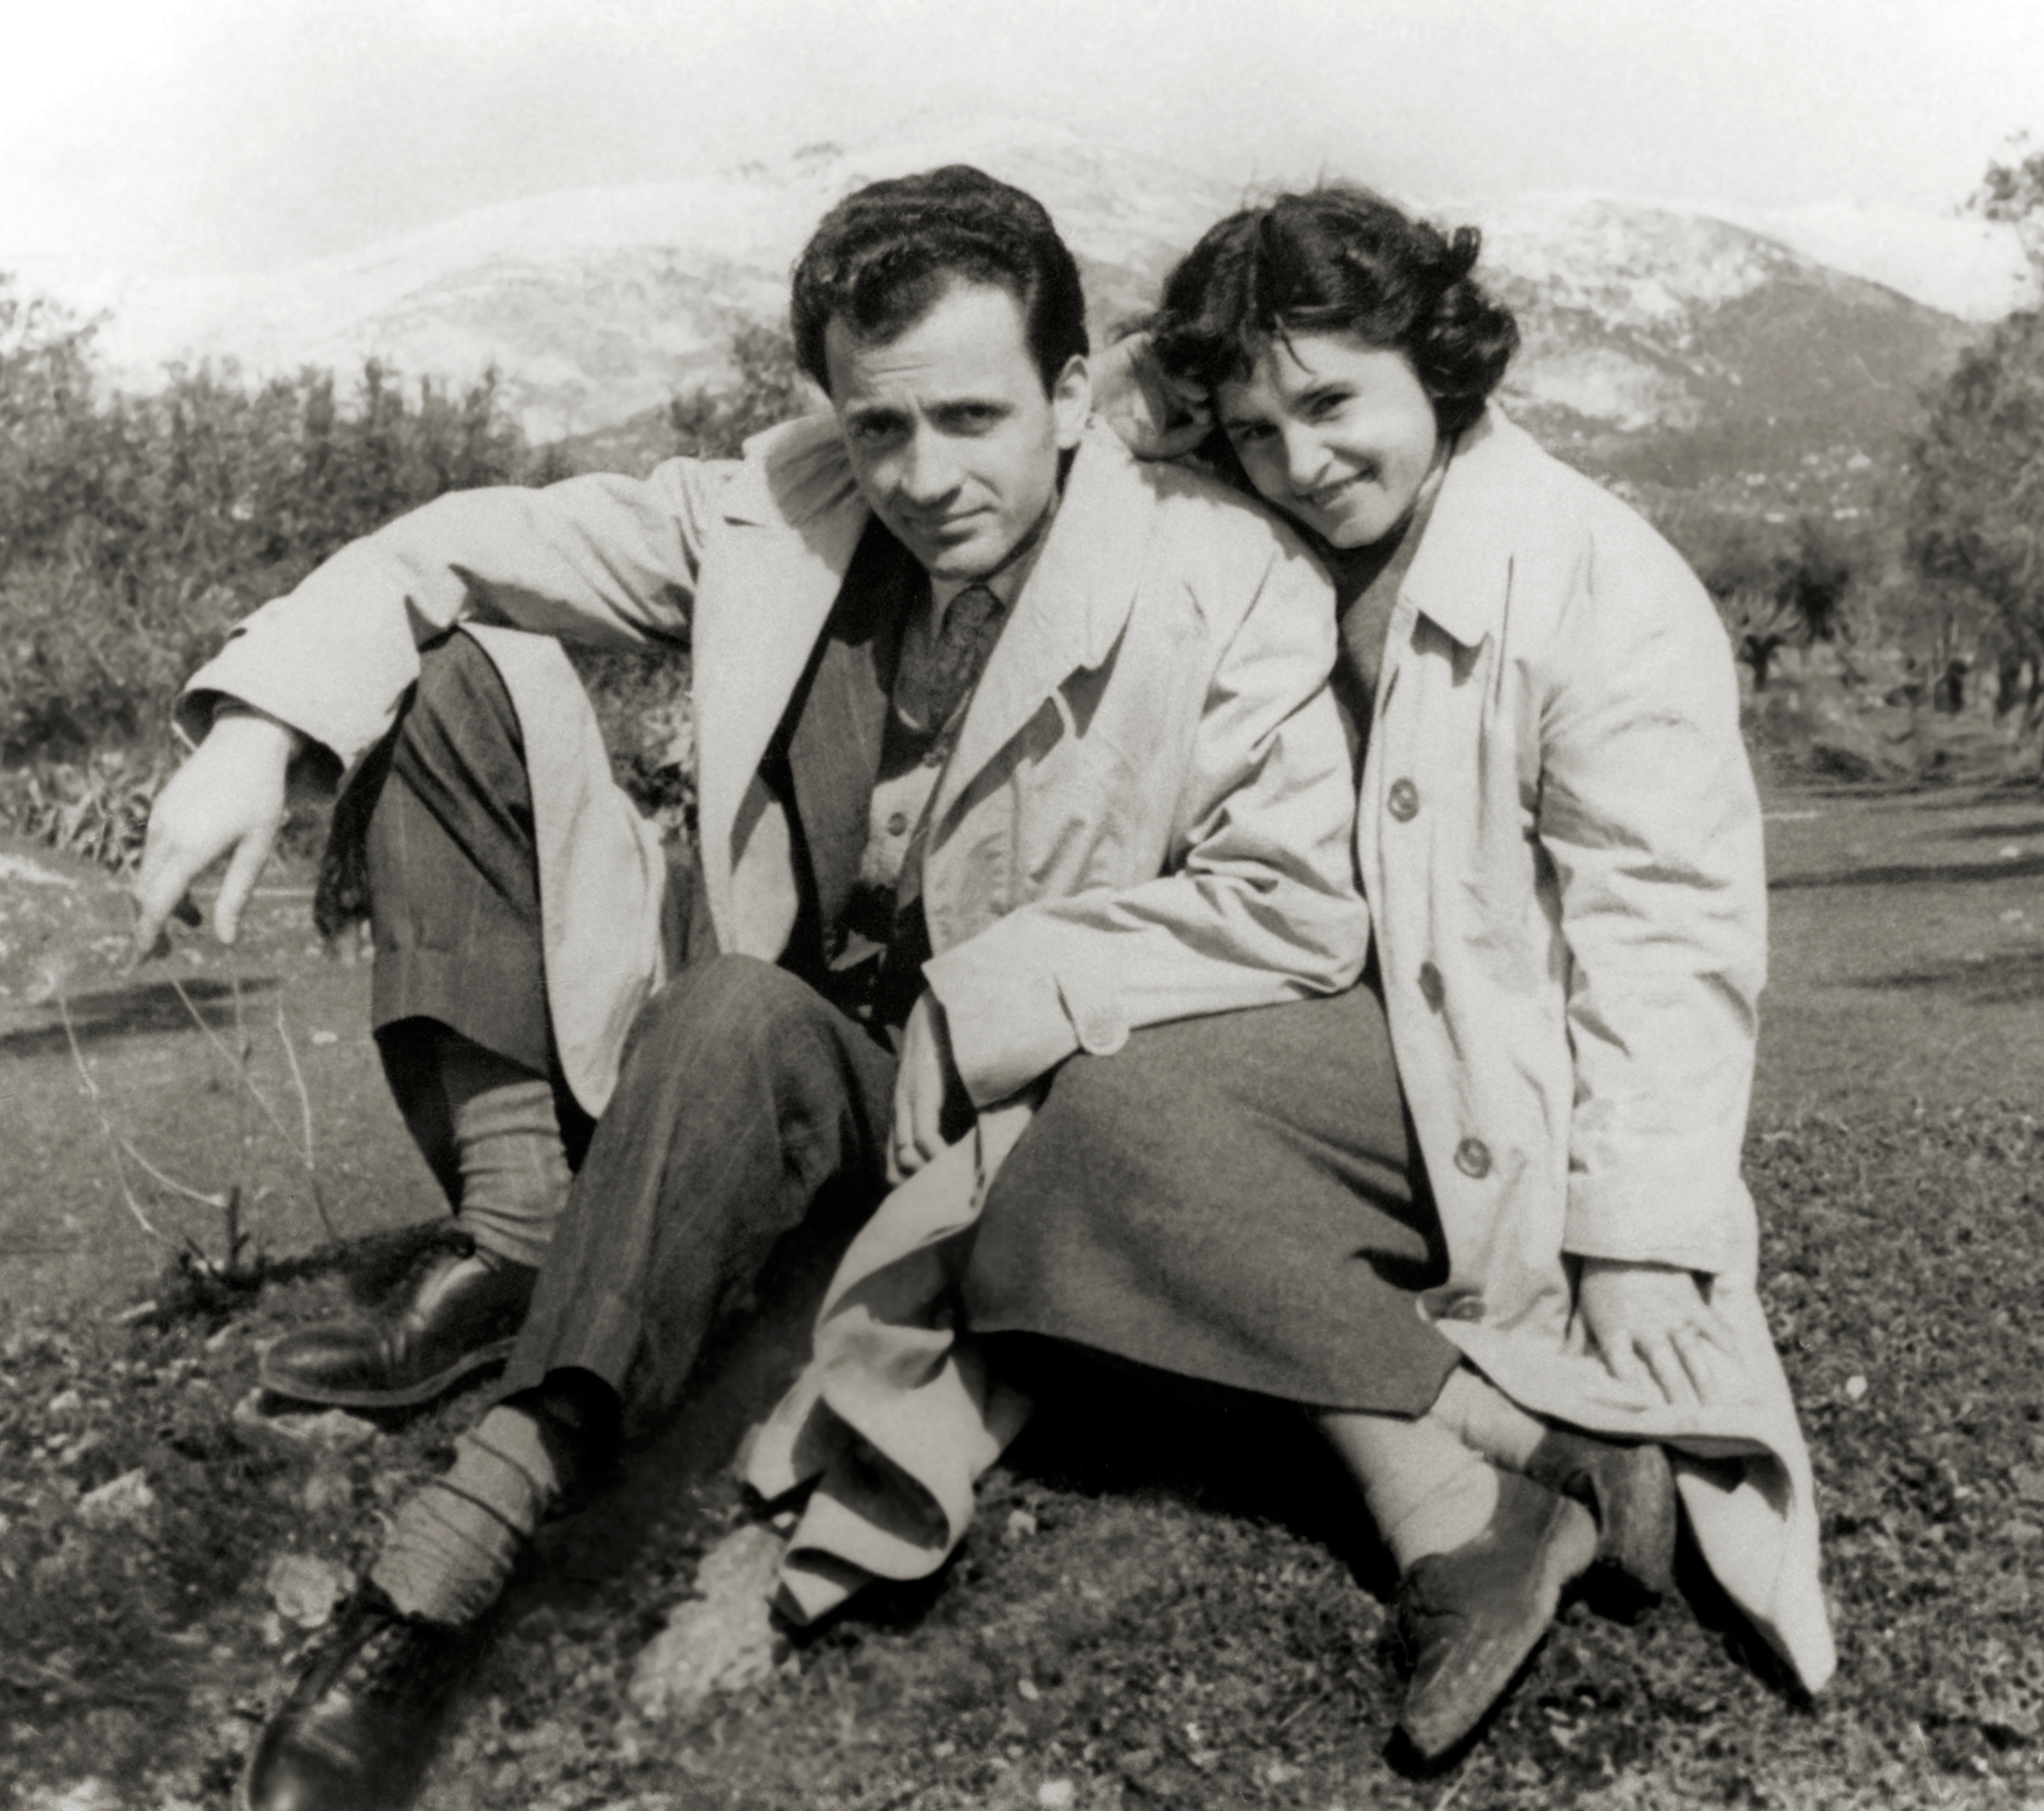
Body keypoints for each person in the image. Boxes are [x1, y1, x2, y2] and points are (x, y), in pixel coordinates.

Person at [131, 166, 1369, 1811]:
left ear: (1074, 394)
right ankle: (518, 1232)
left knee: (733, 1016)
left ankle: (437, 1578)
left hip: (956, 1141)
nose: (925, 478)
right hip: (724, 1059)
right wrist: (260, 728)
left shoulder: (1223, 576)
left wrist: (990, 996)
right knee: (455, 676)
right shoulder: (779, 510)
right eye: (879, 428)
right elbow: (451, 547)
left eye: (973, 418)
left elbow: (1289, 903)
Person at [749, 186, 1835, 1764]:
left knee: (1107, 1136)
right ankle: (1510, 1474)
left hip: (1491, 1080)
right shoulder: (1259, 521)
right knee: (1051, 1173)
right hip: (1334, 1036)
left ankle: (1467, 1496)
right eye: (1255, 429)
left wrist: (1642, 1234)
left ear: (1443, 374)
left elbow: (1668, 921)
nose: (1302, 461)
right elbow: (1099, 404)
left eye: (1334, 403)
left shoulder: (1600, 579)